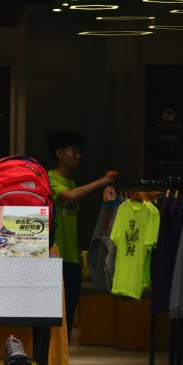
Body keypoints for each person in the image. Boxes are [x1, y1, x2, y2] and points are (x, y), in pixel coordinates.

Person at [46, 131, 118, 344]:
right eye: (74, 152)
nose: (79, 157)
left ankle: (63, 357)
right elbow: (70, 196)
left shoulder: (71, 182)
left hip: (71, 259)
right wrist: (102, 181)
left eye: (79, 152)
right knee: (52, 312)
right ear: (60, 153)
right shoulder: (49, 178)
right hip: (54, 257)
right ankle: (49, 356)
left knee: (68, 313)